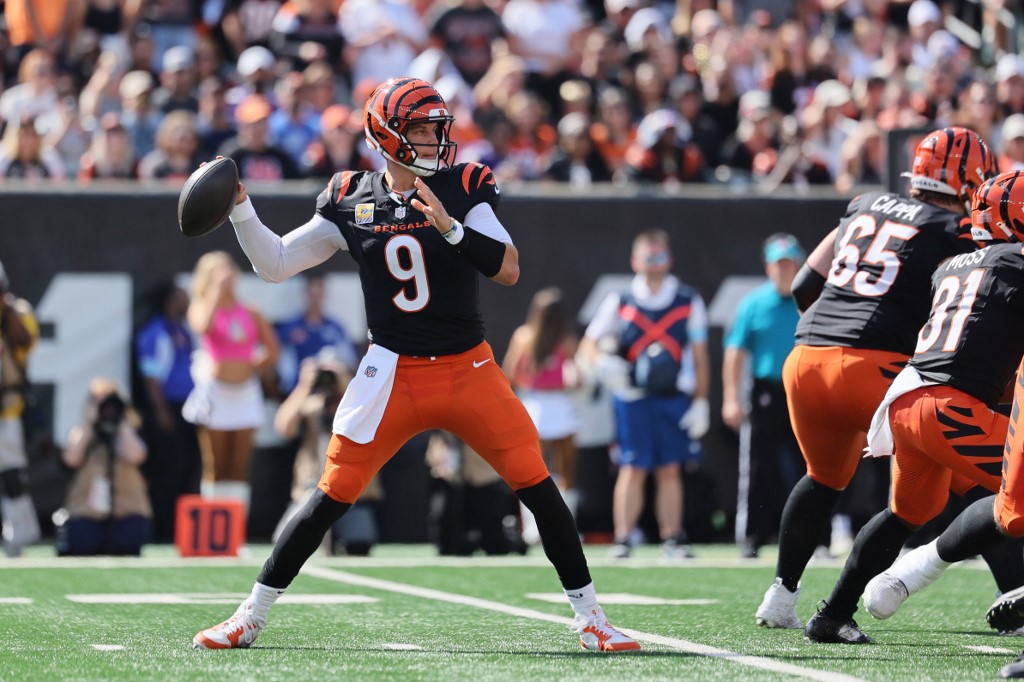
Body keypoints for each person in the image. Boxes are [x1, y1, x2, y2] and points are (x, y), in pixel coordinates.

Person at [192, 76, 638, 653]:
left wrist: (450, 227)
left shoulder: (464, 185)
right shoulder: (350, 196)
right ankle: (250, 616)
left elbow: (508, 268)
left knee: (537, 485)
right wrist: (241, 211)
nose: (434, 139)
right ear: (387, 135)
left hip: (467, 368)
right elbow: (276, 264)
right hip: (392, 370)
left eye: (436, 127)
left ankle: (592, 619)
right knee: (331, 493)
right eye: (422, 129)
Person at [755, 126, 997, 630]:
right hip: (877, 368)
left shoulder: (865, 204)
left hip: (807, 359)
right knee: (971, 476)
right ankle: (1014, 594)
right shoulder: (954, 230)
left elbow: (804, 284)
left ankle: (780, 597)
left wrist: (833, 332)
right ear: (970, 179)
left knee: (822, 479)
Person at [801, 169, 1024, 644]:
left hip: (908, 402)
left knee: (905, 514)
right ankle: (922, 568)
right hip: (950, 407)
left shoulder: (955, 265)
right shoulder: (1015, 266)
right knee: (1015, 494)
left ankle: (832, 614)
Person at [579, 229, 711, 560]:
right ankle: (624, 537)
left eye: (660, 257)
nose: (654, 265)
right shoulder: (620, 300)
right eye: (647, 258)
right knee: (632, 467)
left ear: (670, 260)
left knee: (669, 468)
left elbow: (699, 355)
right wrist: (605, 365)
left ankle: (673, 538)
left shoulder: (687, 299)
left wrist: (701, 401)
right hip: (632, 397)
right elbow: (589, 344)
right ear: (635, 261)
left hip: (671, 397)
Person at [722, 233, 805, 560]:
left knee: (813, 468)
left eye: (789, 264)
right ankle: (754, 537)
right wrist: (730, 397)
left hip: (803, 392)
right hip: (767, 392)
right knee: (759, 468)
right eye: (778, 264)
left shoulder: (811, 299)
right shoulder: (754, 303)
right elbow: (734, 352)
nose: (783, 270)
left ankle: (817, 538)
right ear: (768, 266)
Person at [182, 251, 279, 509]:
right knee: (215, 464)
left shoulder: (250, 311)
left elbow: (272, 351)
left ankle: (235, 536)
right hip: (215, 394)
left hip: (245, 393)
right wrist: (214, 292)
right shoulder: (201, 305)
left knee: (239, 466)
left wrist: (249, 364)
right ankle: (213, 527)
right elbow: (202, 327)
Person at [272, 351, 380, 555]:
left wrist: (348, 385)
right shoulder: (312, 405)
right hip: (311, 492)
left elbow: (368, 414)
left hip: (352, 496)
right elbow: (284, 427)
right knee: (286, 542)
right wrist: (304, 386)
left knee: (360, 543)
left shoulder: (358, 403)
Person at [501, 287, 581, 544]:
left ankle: (534, 530)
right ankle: (562, 529)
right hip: (554, 407)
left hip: (536, 406)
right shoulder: (563, 340)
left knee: (534, 471)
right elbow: (577, 379)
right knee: (562, 472)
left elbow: (509, 373)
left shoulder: (524, 336)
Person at [134, 282, 201, 543]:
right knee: (166, 471)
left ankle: (180, 530)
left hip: (187, 409)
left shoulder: (183, 331)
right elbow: (151, 377)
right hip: (167, 409)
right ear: (169, 301)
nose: (187, 303)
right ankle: (161, 530)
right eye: (182, 298)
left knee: (187, 469)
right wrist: (161, 411)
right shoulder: (155, 332)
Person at [56, 377, 151, 556]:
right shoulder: (80, 432)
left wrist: (121, 422)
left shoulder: (131, 430)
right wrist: (89, 425)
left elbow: (137, 456)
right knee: (84, 545)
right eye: (96, 402)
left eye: (107, 402)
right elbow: (71, 460)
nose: (104, 409)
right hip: (85, 512)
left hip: (127, 511)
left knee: (126, 546)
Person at [0, 259, 41, 557]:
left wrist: (7, 311)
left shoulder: (17, 313)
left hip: (8, 406)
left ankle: (21, 533)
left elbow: (27, 342)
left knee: (11, 470)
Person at [274, 273, 359, 394]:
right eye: (312, 294)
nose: (315, 299)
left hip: (329, 391)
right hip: (298, 391)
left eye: (318, 295)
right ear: (305, 294)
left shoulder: (336, 329)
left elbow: (350, 361)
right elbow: (280, 366)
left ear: (324, 294)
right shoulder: (290, 328)